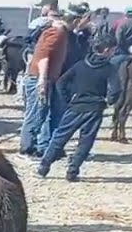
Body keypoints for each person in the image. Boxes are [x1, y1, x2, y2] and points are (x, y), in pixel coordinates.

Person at [37, 34, 120, 181]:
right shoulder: (110, 68)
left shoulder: (80, 64)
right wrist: (109, 101)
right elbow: (116, 90)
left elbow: (61, 82)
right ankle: (72, 171)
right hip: (94, 108)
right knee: (85, 141)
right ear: (107, 50)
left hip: (75, 107)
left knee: (60, 136)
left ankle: (44, 166)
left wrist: (67, 99)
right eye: (113, 50)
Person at [18, 0, 68, 158]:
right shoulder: (54, 28)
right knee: (37, 112)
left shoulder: (43, 25)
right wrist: (42, 80)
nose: (41, 9)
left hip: (40, 72)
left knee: (39, 111)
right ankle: (27, 147)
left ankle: (32, 145)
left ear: (49, 7)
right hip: (41, 74)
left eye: (43, 7)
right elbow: (44, 56)